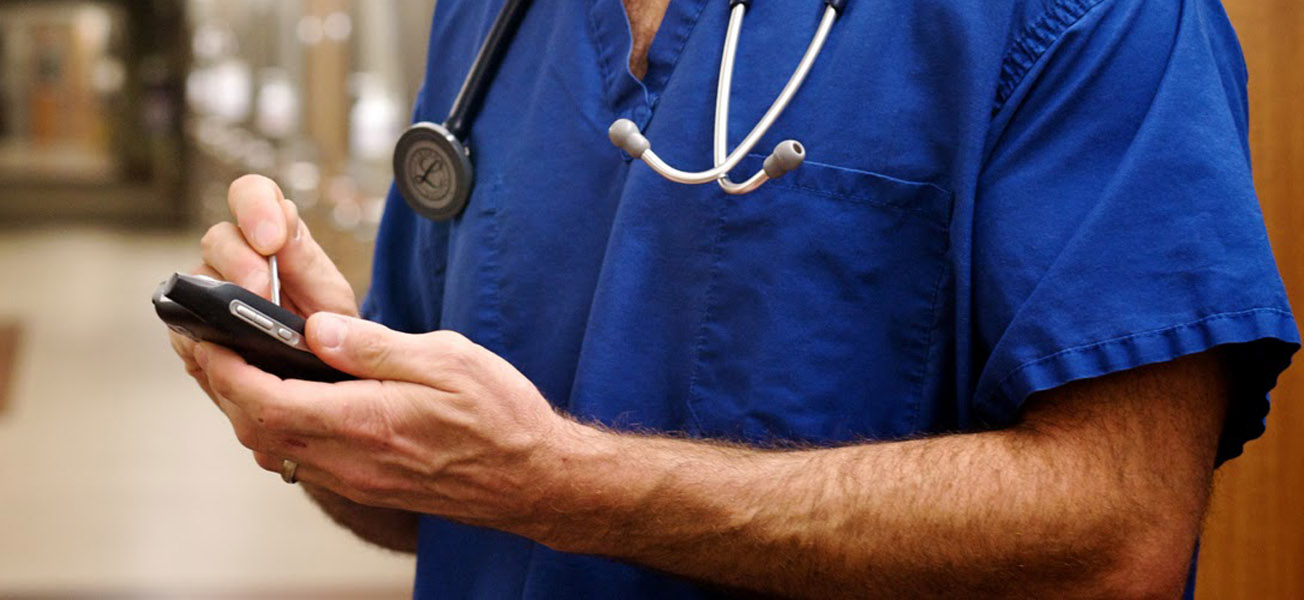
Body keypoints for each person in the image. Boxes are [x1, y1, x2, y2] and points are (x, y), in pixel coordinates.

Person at [167, 0, 1299, 597]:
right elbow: (432, 507)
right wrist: (326, 402)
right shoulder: (493, 22)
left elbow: (1117, 540)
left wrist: (567, 484)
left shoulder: (1100, 17)